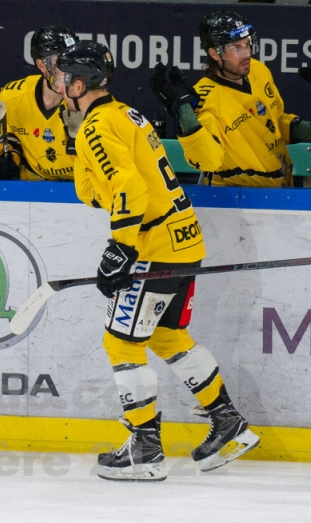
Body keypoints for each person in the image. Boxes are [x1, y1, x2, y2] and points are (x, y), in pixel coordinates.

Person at [52, 41, 260, 481]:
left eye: (63, 78)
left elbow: (130, 188)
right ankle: (228, 422)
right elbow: (105, 189)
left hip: (154, 248)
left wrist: (121, 247)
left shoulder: (96, 126)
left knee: (121, 343)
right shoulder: (126, 114)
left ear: (79, 84)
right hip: (184, 239)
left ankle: (145, 449)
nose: (58, 85)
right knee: (168, 337)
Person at [150, 10, 311, 188]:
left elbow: (273, 121)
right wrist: (185, 112)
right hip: (237, 196)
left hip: (282, 188)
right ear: (214, 53)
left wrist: (303, 129)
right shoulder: (206, 99)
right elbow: (207, 160)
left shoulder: (258, 71)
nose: (246, 53)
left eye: (247, 44)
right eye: (236, 48)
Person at [0, 25, 82, 181]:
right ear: (41, 65)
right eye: (61, 60)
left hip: (80, 186)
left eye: (73, 59)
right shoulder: (12, 97)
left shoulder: (88, 98)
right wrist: (9, 155)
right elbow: (13, 137)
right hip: (33, 186)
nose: (70, 68)